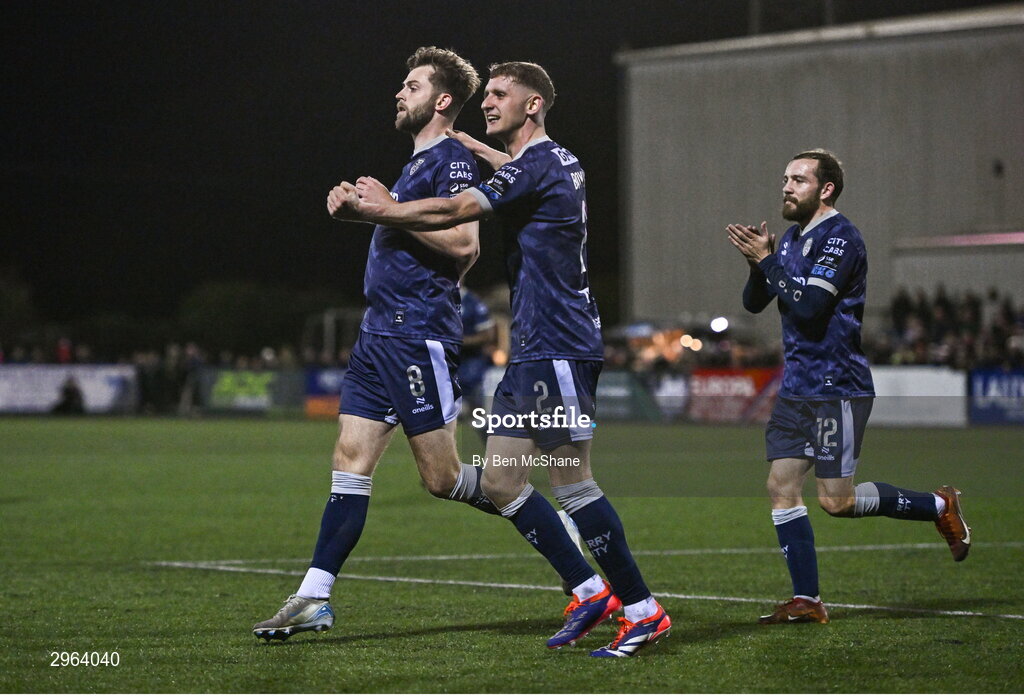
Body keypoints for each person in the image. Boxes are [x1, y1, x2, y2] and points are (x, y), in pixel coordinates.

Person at [329, 61, 670, 658]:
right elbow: (518, 172)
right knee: (501, 480)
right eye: (484, 95)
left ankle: (642, 609)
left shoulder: (536, 166)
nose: (487, 102)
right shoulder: (556, 162)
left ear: (533, 104)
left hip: (560, 346)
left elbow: (453, 212)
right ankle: (591, 593)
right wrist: (474, 145)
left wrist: (378, 212)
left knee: (573, 483)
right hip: (536, 348)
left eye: (500, 95)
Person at [253, 46, 500, 641]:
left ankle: (549, 526)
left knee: (442, 480)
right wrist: (365, 210)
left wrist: (379, 212)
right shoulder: (412, 167)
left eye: (410, 86)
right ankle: (315, 596)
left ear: (442, 101)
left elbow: (465, 246)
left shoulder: (451, 159)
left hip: (417, 333)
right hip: (376, 334)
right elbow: (396, 221)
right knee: (349, 459)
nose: (399, 93)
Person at [726, 149, 973, 624]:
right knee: (781, 487)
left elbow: (810, 307)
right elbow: (755, 304)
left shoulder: (841, 239)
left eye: (798, 179)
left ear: (826, 189)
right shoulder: (794, 240)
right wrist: (761, 263)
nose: (786, 186)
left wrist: (770, 262)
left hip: (836, 385)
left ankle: (938, 504)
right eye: (785, 178)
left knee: (836, 502)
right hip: (798, 387)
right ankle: (807, 599)